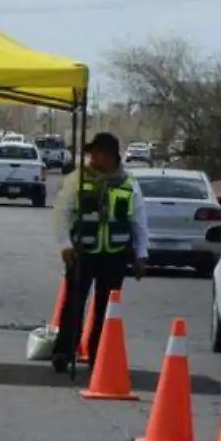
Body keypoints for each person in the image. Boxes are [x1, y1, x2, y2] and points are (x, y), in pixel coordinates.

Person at [51, 132, 149, 372]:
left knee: (106, 307)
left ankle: (99, 354)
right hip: (82, 252)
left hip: (114, 254)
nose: (92, 158)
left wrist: (141, 254)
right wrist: (64, 244)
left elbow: (139, 221)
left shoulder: (129, 184)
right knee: (73, 302)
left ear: (112, 157)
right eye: (91, 153)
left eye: (98, 153)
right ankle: (64, 350)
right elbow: (61, 213)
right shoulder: (78, 179)